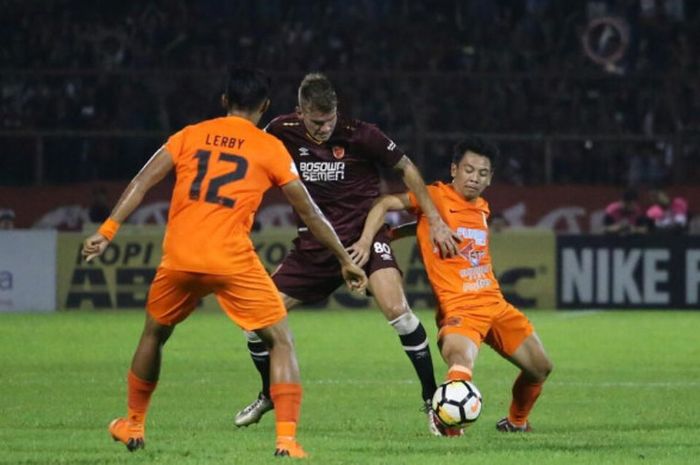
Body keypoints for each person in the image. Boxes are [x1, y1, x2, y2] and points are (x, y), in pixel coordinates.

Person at [81, 68, 368, 459]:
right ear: (265, 107)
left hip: (180, 256)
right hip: (230, 259)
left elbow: (142, 180)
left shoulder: (189, 135)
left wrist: (107, 230)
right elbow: (312, 213)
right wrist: (343, 259)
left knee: (153, 335)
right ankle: (286, 440)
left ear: (223, 101)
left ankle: (133, 423)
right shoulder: (269, 148)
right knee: (280, 341)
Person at [234, 73, 460, 436]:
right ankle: (268, 394)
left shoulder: (361, 134)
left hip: (364, 242)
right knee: (252, 322)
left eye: (329, 120)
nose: (324, 128)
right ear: (301, 111)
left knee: (399, 313)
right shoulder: (281, 129)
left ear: (336, 110)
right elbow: (251, 159)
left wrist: (433, 219)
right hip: (314, 248)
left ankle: (432, 401)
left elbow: (407, 168)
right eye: (315, 121)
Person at [354, 136, 553, 435]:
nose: (475, 178)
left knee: (540, 368)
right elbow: (383, 204)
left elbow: (440, 230)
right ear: (454, 169)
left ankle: (515, 422)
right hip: (459, 309)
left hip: (495, 304)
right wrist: (368, 242)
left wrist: (406, 232)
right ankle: (444, 420)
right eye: (469, 170)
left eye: (482, 173)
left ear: (490, 178)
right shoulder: (434, 195)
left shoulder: (482, 207)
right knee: (460, 362)